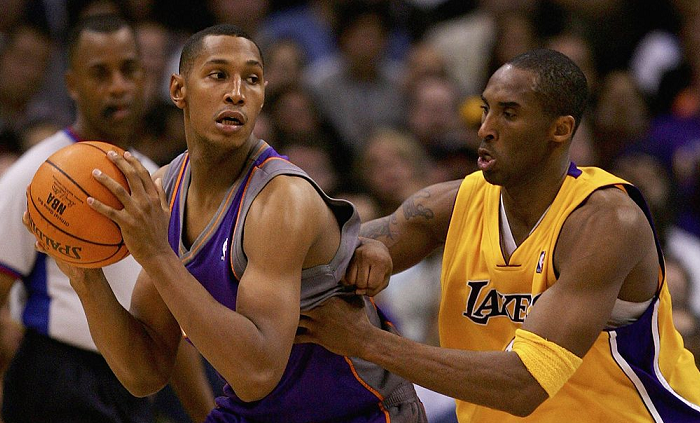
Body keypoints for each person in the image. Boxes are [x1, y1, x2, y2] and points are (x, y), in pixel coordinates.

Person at [28, 23, 427, 423]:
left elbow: (257, 373)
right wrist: (84, 276)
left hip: (357, 411)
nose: (237, 92)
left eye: (251, 79)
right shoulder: (164, 190)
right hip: (257, 411)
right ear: (178, 90)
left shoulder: (282, 200)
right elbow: (145, 372)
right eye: (218, 75)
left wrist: (155, 253)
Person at [296, 49, 700, 422]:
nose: (485, 129)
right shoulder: (449, 205)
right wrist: (361, 250)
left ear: (559, 130)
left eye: (509, 114)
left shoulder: (606, 222)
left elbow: (525, 384)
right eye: (486, 110)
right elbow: (310, 260)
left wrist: (367, 341)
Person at [0, 14, 215, 423]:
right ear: (72, 85)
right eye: (100, 73)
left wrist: (208, 416)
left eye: (129, 69)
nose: (119, 86)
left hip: (133, 381)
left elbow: (173, 328)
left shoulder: (161, 181)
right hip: (54, 375)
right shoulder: (37, 173)